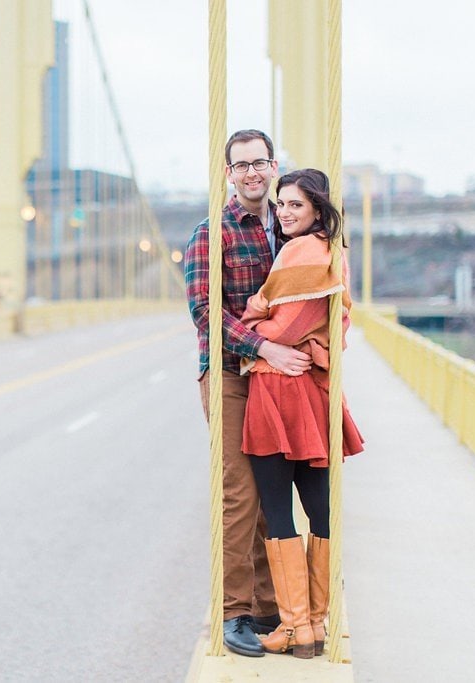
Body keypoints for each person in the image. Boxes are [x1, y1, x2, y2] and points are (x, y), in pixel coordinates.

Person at [184, 129, 315, 657]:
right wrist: (263, 348)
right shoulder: (209, 233)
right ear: (228, 175)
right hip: (231, 373)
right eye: (241, 166)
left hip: (280, 376)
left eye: (259, 163)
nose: (252, 173)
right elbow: (204, 313)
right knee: (240, 492)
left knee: (273, 491)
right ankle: (233, 611)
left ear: (273, 164)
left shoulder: (289, 227)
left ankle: (269, 606)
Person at [238, 168, 365, 659]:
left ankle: (295, 629)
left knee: (278, 510)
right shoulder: (334, 253)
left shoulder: (300, 251)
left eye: (295, 205)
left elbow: (278, 325)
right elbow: (326, 326)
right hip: (313, 394)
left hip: (277, 392)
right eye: (282, 204)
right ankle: (315, 621)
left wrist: (257, 318)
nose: (285, 213)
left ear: (317, 209)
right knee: (320, 509)